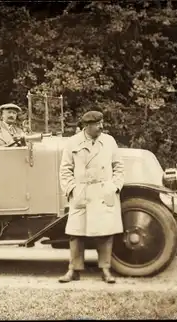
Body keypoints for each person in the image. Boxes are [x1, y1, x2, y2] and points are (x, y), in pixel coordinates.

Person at [58, 110, 124, 284]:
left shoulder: (109, 141)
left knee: (105, 233)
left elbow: (119, 167)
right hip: (82, 193)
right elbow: (65, 170)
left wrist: (113, 187)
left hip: (103, 192)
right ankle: (74, 270)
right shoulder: (73, 143)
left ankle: (106, 270)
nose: (101, 127)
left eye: (102, 123)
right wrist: (72, 189)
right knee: (75, 233)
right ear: (86, 126)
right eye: (97, 124)